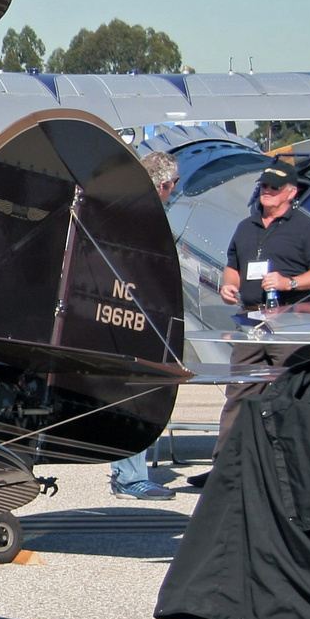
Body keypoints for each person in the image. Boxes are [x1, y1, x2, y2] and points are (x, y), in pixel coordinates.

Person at [200, 160, 310, 478]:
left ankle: (288, 470)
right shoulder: (247, 226)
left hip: (291, 321)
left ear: (291, 192)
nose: (267, 191)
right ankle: (225, 467)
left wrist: (291, 283)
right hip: (251, 321)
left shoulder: (304, 227)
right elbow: (233, 264)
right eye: (264, 186)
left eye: (274, 187)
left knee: (287, 392)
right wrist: (228, 285)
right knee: (240, 390)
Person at [109, 151, 181, 500]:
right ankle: (129, 475)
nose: (174, 191)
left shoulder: (124, 212)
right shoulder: (145, 219)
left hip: (132, 312)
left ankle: (129, 471)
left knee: (139, 392)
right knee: (137, 394)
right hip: (137, 317)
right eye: (175, 184)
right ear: (163, 184)